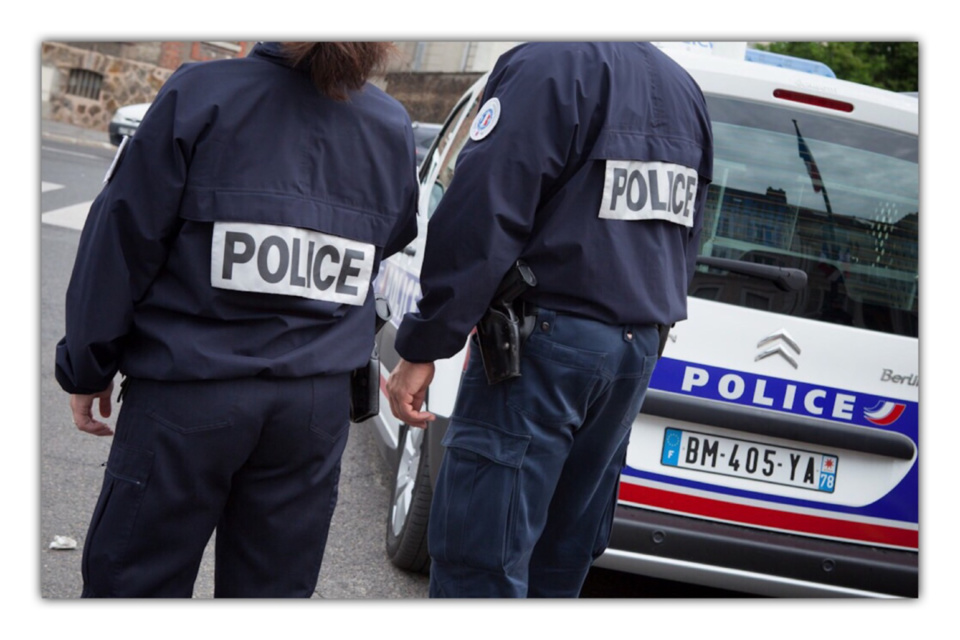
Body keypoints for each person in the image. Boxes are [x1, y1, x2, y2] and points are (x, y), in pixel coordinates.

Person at [55, 41, 419, 598]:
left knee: (133, 587)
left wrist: (87, 366)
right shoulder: (390, 124)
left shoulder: (202, 92)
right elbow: (390, 235)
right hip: (311, 407)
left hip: (189, 390)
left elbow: (121, 240)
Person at [386, 42, 713, 598]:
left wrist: (425, 344)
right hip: (632, 352)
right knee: (559, 560)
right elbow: (688, 233)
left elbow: (482, 210)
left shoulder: (546, 65)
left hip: (544, 348)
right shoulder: (683, 90)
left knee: (481, 561)